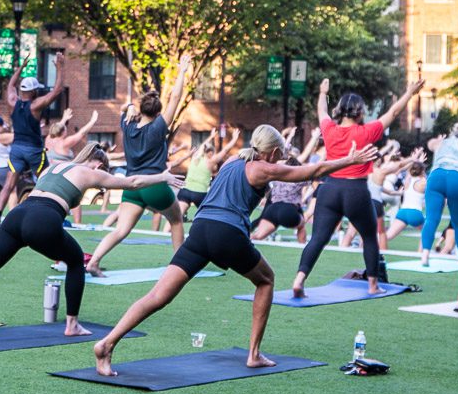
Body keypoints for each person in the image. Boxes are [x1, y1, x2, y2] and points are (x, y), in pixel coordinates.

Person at [92, 126, 378, 377]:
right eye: (279, 155)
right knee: (266, 280)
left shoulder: (232, 161)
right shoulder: (262, 168)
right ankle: (253, 354)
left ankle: (107, 343)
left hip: (201, 230)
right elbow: (312, 171)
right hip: (226, 232)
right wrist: (350, 161)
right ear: (273, 152)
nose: (280, 160)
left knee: (158, 295)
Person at [0, 144, 182, 337]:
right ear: (99, 164)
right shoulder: (91, 171)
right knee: (76, 260)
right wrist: (163, 177)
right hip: (43, 219)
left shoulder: (53, 167)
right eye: (103, 171)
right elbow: (133, 182)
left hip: (18, 216)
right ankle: (72, 325)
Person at [291, 76, 423, 298]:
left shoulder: (330, 129)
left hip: (329, 188)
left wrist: (323, 92)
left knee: (318, 239)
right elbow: (393, 113)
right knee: (370, 237)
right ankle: (372, 285)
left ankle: (299, 280)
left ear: (341, 111)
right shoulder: (367, 131)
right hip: (356, 191)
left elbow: (322, 111)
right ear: (360, 112)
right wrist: (409, 93)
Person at [86, 58, 190, 277]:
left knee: (121, 230)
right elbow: (176, 98)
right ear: (158, 113)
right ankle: (179, 268)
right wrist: (181, 71)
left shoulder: (128, 124)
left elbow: (125, 108)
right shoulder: (158, 127)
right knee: (176, 219)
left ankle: (94, 262)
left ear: (140, 109)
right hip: (155, 185)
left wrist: (131, 106)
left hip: (131, 187)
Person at [0, 53, 65, 226]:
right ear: (32, 91)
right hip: (34, 151)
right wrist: (60, 68)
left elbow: (10, 85)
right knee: (45, 181)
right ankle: (45, 215)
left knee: (9, 185)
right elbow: (57, 91)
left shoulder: (12, 102)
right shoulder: (35, 105)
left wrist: (21, 68)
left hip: (16, 150)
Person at [419, 123, 458, 268]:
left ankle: (425, 255)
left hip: (437, 176)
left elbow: (430, 144)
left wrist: (440, 140)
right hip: (456, 177)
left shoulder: (440, 143)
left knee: (431, 219)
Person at [45, 107, 99, 224]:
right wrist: (92, 121)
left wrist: (64, 119)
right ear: (63, 132)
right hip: (64, 174)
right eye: (65, 129)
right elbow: (82, 133)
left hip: (50, 173)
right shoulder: (65, 142)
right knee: (75, 196)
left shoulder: (48, 140)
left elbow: (56, 129)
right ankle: (77, 223)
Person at [176, 128, 240, 218]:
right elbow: (225, 150)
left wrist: (211, 136)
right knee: (206, 217)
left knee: (177, 217)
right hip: (199, 193)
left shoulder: (195, 157)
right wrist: (234, 139)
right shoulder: (210, 162)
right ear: (210, 153)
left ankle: (164, 231)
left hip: (185, 191)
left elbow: (202, 145)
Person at [249, 162, 307, 243]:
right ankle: (303, 247)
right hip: (288, 210)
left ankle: (241, 245)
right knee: (301, 226)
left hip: (272, 209)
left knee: (257, 236)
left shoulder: (277, 178)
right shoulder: (299, 179)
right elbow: (314, 177)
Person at [385, 161, 427, 244]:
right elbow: (424, 177)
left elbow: (409, 172)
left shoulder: (407, 181)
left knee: (388, 235)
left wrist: (417, 162)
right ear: (422, 171)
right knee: (427, 233)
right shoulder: (423, 182)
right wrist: (421, 169)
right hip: (415, 213)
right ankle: (421, 253)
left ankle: (370, 243)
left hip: (402, 212)